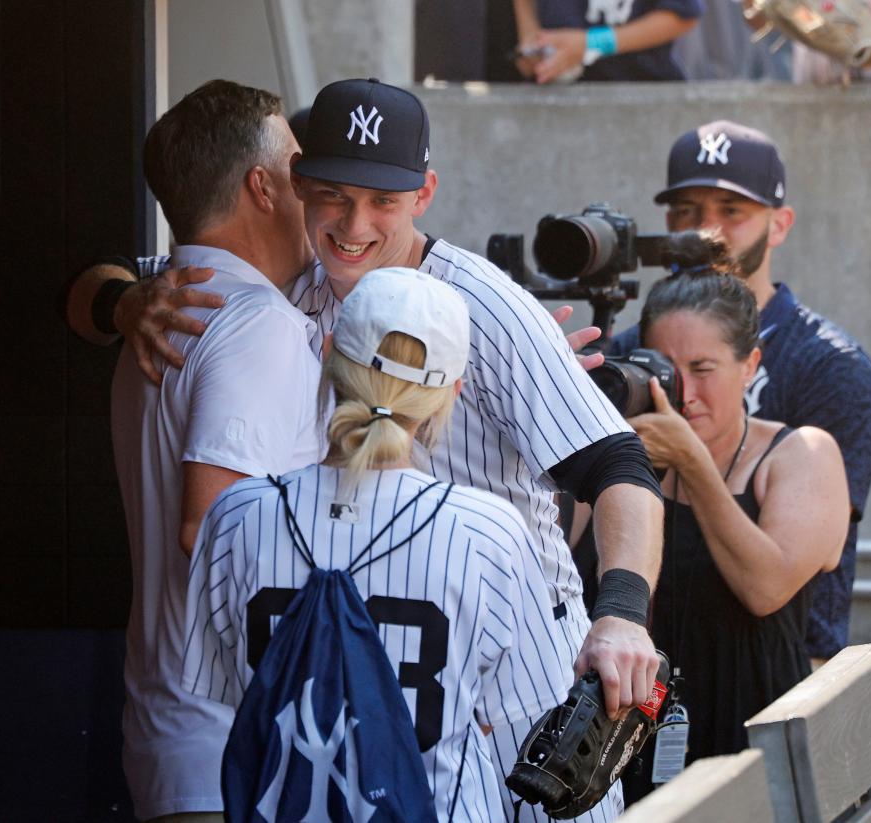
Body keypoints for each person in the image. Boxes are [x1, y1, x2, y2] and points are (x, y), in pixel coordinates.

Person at [66, 77, 665, 822]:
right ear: (298, 186)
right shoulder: (285, 284)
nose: (354, 223)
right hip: (366, 672)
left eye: (383, 199)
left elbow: (619, 462)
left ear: (425, 192)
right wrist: (123, 301)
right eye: (334, 196)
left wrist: (622, 612)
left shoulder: (488, 308)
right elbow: (91, 281)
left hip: (520, 654)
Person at [183, 267, 574, 821]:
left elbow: (222, 690)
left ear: (327, 354)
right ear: (450, 395)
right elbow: (521, 712)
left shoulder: (237, 513)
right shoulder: (490, 530)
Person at [112, 80, 324, 821]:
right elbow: (211, 527)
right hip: (233, 750)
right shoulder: (251, 322)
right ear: (262, 187)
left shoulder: (162, 310)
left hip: (185, 740)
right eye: (301, 169)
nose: (317, 191)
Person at [610, 120, 871, 665]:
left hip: (785, 665)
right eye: (687, 210)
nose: (707, 229)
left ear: (779, 224)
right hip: (644, 666)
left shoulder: (829, 364)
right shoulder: (627, 350)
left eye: (732, 211)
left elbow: (804, 561)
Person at [616, 262, 849, 799]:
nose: (685, 393)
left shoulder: (802, 454)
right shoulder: (627, 455)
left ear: (750, 366)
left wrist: (693, 465)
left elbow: (765, 588)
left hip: (754, 739)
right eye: (667, 370)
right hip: (630, 739)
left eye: (703, 368)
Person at [510, 0, 702, 83]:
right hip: (553, 95)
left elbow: (683, 15)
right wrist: (531, 37)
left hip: (638, 91)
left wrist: (591, 44)